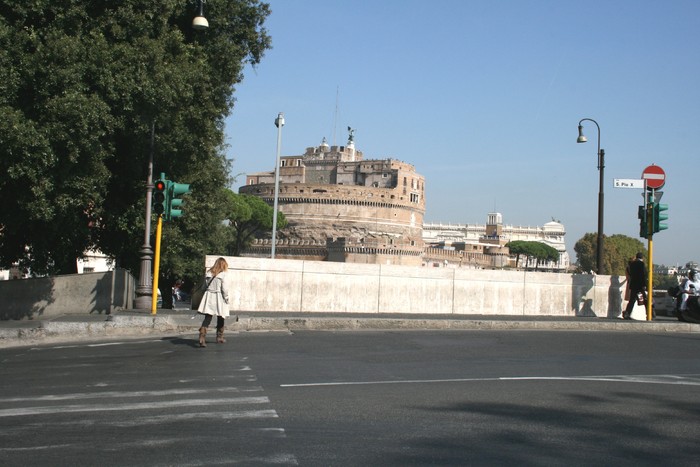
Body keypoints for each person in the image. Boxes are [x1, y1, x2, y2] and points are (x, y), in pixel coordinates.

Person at [196, 257, 230, 348]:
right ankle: (220, 337)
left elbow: (204, 286)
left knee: (208, 316)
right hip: (218, 296)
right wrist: (226, 298)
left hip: (209, 295)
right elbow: (225, 289)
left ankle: (202, 336)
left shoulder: (208, 273)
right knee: (221, 316)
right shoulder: (223, 275)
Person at [623, 252, 647, 320]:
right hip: (640, 285)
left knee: (632, 300)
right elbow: (643, 275)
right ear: (642, 257)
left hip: (633, 284)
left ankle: (627, 313)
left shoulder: (632, 264)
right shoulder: (641, 264)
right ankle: (649, 313)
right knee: (645, 299)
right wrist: (644, 284)